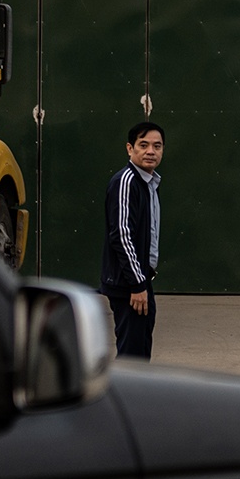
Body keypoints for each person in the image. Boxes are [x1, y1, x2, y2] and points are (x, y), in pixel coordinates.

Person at [101, 120, 163, 359]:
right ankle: (123, 397)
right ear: (130, 148)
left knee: (140, 352)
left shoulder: (149, 183)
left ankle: (137, 396)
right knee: (131, 358)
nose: (150, 151)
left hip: (141, 281)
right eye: (143, 144)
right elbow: (121, 235)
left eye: (157, 146)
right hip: (128, 285)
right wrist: (137, 285)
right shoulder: (126, 182)